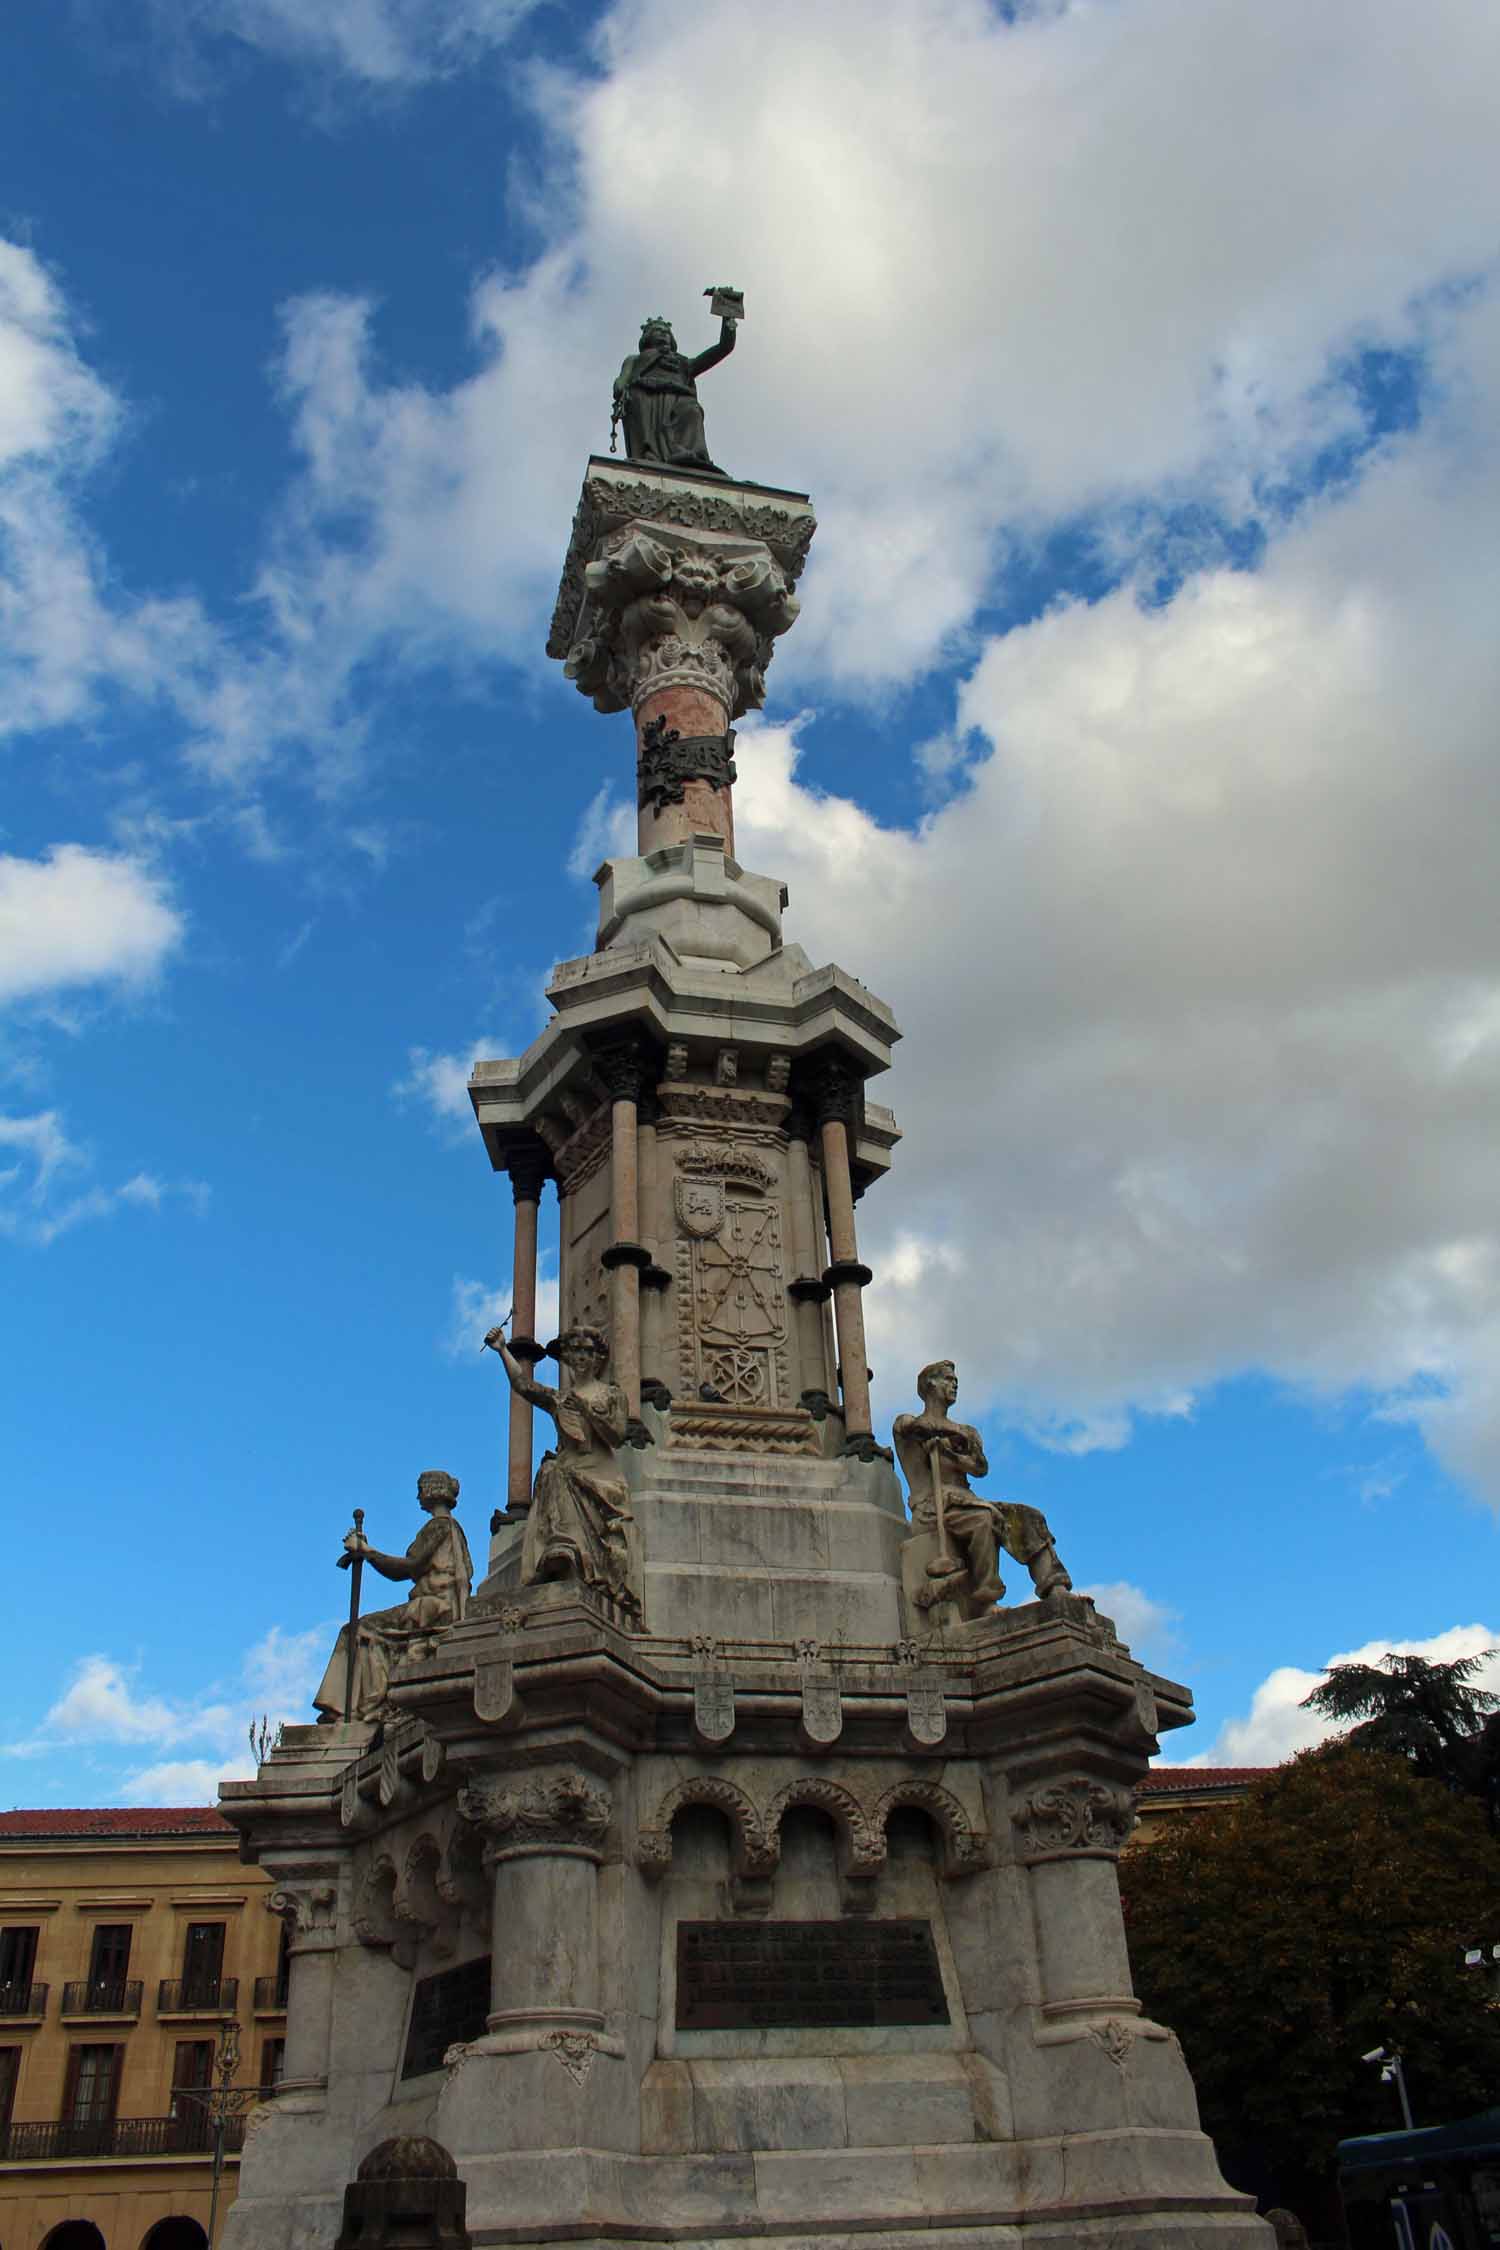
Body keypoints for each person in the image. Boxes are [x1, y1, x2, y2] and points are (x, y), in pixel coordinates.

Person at [484, 1323, 642, 1620]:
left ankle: (572, 1558)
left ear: (598, 1358)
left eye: (587, 1351)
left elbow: (617, 1436)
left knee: (555, 1473)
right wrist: (503, 1350)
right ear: (567, 1358)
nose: (580, 1357)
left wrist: (587, 1411)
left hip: (600, 1478)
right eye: (574, 1351)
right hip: (567, 1471)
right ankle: (562, 1553)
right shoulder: (560, 1399)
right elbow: (523, 1386)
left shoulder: (611, 1395)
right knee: (551, 1471)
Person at [892, 1360, 1072, 1612]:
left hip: (965, 1500)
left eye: (955, 1379)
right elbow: (906, 1427)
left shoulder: (967, 1432)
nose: (954, 1383)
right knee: (983, 1519)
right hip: (933, 1506)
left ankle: (1055, 1586)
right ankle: (988, 1598)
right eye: (947, 1378)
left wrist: (951, 1453)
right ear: (929, 1385)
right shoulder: (910, 1423)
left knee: (1030, 1516)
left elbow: (980, 1468)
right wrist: (934, 1436)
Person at [314, 1470, 472, 1721]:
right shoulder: (452, 1529)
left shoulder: (439, 1526)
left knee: (356, 1629)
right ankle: (356, 1705)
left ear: (432, 1490)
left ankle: (347, 1708)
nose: (418, 1495)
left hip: (433, 1608)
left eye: (421, 1488)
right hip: (438, 1605)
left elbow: (405, 1569)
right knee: (362, 1628)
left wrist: (367, 1551)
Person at [612, 311, 737, 473]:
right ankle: (649, 454)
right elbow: (623, 379)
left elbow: (724, 347)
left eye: (666, 333)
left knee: (692, 411)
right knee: (638, 400)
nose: (663, 335)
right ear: (647, 337)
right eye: (658, 331)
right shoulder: (635, 359)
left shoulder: (684, 363)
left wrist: (728, 316)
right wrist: (620, 386)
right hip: (646, 396)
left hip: (679, 397)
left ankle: (689, 455)